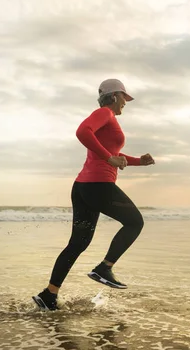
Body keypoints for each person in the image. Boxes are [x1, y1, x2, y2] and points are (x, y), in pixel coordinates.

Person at [33, 78, 155, 311]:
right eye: (124, 98)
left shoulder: (108, 121)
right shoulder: (105, 114)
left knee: (78, 243)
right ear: (113, 97)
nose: (125, 104)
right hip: (98, 185)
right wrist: (108, 158)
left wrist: (139, 161)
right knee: (134, 222)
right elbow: (82, 132)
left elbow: (112, 154)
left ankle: (49, 295)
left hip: (83, 187)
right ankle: (104, 268)